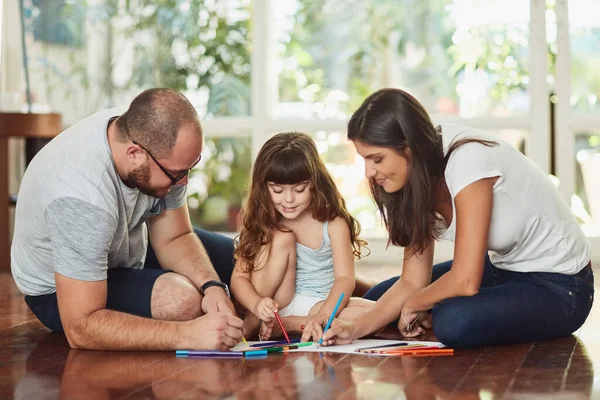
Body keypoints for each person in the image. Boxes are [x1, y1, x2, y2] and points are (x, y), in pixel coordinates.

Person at [319, 88, 594, 348]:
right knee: (374, 299)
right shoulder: (412, 182)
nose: (369, 172)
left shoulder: (468, 159)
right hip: (503, 269)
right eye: (364, 159)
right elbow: (412, 281)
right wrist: (353, 330)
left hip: (561, 286)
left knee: (454, 320)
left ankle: (431, 313)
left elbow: (465, 279)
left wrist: (415, 303)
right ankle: (428, 312)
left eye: (377, 159)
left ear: (409, 148)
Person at [10, 88, 244, 351]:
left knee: (249, 260)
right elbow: (80, 327)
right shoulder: (81, 196)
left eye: (189, 169)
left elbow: (174, 237)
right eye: (177, 174)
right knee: (183, 301)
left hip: (126, 248)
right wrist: (188, 335)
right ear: (134, 153)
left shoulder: (146, 135)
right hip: (60, 293)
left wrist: (212, 285)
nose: (184, 182)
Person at [230, 132, 374, 341]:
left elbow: (345, 279)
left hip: (320, 304)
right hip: (277, 303)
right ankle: (253, 323)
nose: (288, 199)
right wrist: (256, 305)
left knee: (380, 313)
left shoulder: (333, 223)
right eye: (277, 190)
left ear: (315, 183)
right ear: (264, 187)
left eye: (299, 189)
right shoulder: (264, 221)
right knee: (281, 237)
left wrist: (325, 314)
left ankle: (288, 325)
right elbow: (239, 278)